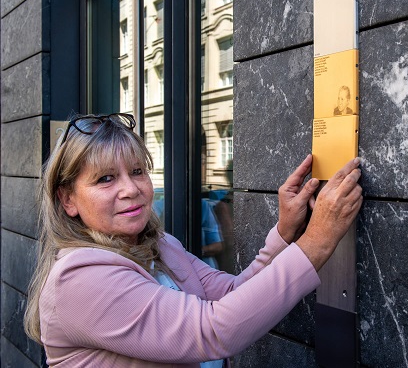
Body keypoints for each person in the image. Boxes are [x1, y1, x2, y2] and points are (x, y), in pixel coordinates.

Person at [24, 113, 363, 367]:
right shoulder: (78, 279)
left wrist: (286, 231)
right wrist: (318, 239)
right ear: (67, 199)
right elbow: (214, 330)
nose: (131, 189)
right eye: (106, 178)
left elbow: (233, 295)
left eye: (138, 171)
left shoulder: (161, 244)